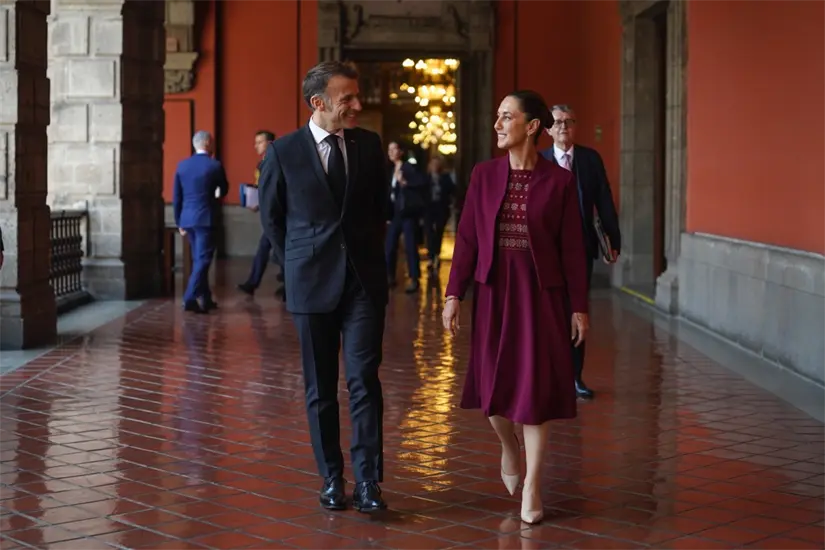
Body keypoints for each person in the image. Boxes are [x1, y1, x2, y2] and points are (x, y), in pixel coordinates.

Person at [442, 90, 589, 524]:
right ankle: (509, 446)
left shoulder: (560, 181)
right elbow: (467, 239)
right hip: (494, 292)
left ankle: (533, 486)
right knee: (491, 391)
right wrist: (454, 294)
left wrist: (579, 307)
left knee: (536, 390)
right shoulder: (483, 175)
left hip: (543, 297)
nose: (497, 124)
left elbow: (573, 250)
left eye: (507, 117)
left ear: (531, 127)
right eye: (497, 116)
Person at [258, 60, 389, 513]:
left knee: (364, 382)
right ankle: (332, 477)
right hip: (310, 284)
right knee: (320, 387)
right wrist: (297, 261)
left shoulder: (369, 146)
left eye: (356, 95)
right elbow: (272, 220)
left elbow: (380, 210)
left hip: (364, 285)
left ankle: (369, 481)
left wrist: (370, 256)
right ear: (319, 103)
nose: (357, 104)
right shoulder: (283, 152)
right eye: (347, 98)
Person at [540, 104, 621, 399]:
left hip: (580, 250)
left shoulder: (589, 159)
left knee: (577, 311)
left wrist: (613, 239)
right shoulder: (540, 161)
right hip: (546, 252)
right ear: (547, 129)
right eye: (558, 123)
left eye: (569, 122)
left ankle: (575, 377)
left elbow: (604, 200)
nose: (563, 127)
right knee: (548, 312)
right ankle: (550, 376)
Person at [173, 131, 229, 314]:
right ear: (206, 143)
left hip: (187, 218)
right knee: (204, 259)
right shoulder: (214, 165)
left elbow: (177, 197)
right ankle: (189, 297)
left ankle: (205, 298)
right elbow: (224, 188)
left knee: (198, 259)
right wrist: (216, 193)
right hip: (206, 218)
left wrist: (178, 221)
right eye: (211, 142)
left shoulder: (182, 166)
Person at [238, 130, 285, 298]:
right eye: (255, 142)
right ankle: (254, 283)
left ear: (270, 143)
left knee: (276, 250)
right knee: (270, 249)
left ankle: (286, 284)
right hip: (269, 215)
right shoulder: (261, 165)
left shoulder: (280, 162)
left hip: (281, 215)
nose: (256, 146)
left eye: (260, 142)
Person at [385, 141, 426, 293]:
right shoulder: (390, 169)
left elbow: (422, 182)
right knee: (389, 246)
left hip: (408, 213)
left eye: (394, 149)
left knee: (410, 247)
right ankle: (389, 277)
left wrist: (405, 182)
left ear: (401, 152)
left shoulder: (408, 167)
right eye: (389, 149)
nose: (390, 152)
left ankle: (414, 279)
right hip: (396, 214)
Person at [423, 155, 456, 270]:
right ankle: (430, 257)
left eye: (437, 164)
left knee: (438, 233)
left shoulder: (445, 177)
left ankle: (436, 255)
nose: (435, 167)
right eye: (433, 164)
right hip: (428, 208)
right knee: (429, 233)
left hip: (441, 208)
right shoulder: (426, 178)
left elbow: (452, 190)